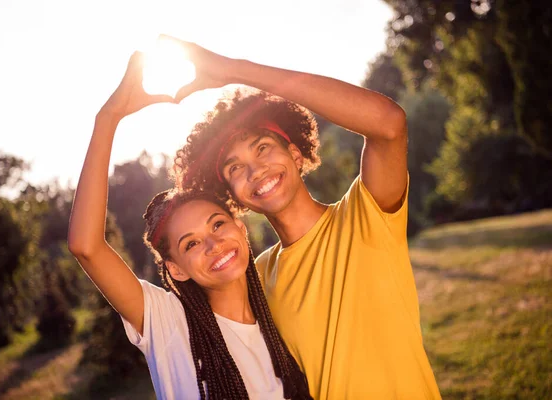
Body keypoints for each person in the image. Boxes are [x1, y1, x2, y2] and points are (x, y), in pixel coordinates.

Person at [168, 34, 442, 399]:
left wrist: (235, 70)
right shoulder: (255, 277)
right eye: (235, 169)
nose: (256, 171)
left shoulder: (365, 215)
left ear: (296, 155)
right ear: (236, 200)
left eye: (263, 148)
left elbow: (389, 123)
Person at [67, 50, 312, 400]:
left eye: (217, 225)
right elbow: (85, 246)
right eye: (191, 244)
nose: (213, 245)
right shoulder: (168, 323)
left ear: (240, 229)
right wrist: (108, 118)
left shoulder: (281, 318)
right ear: (175, 270)